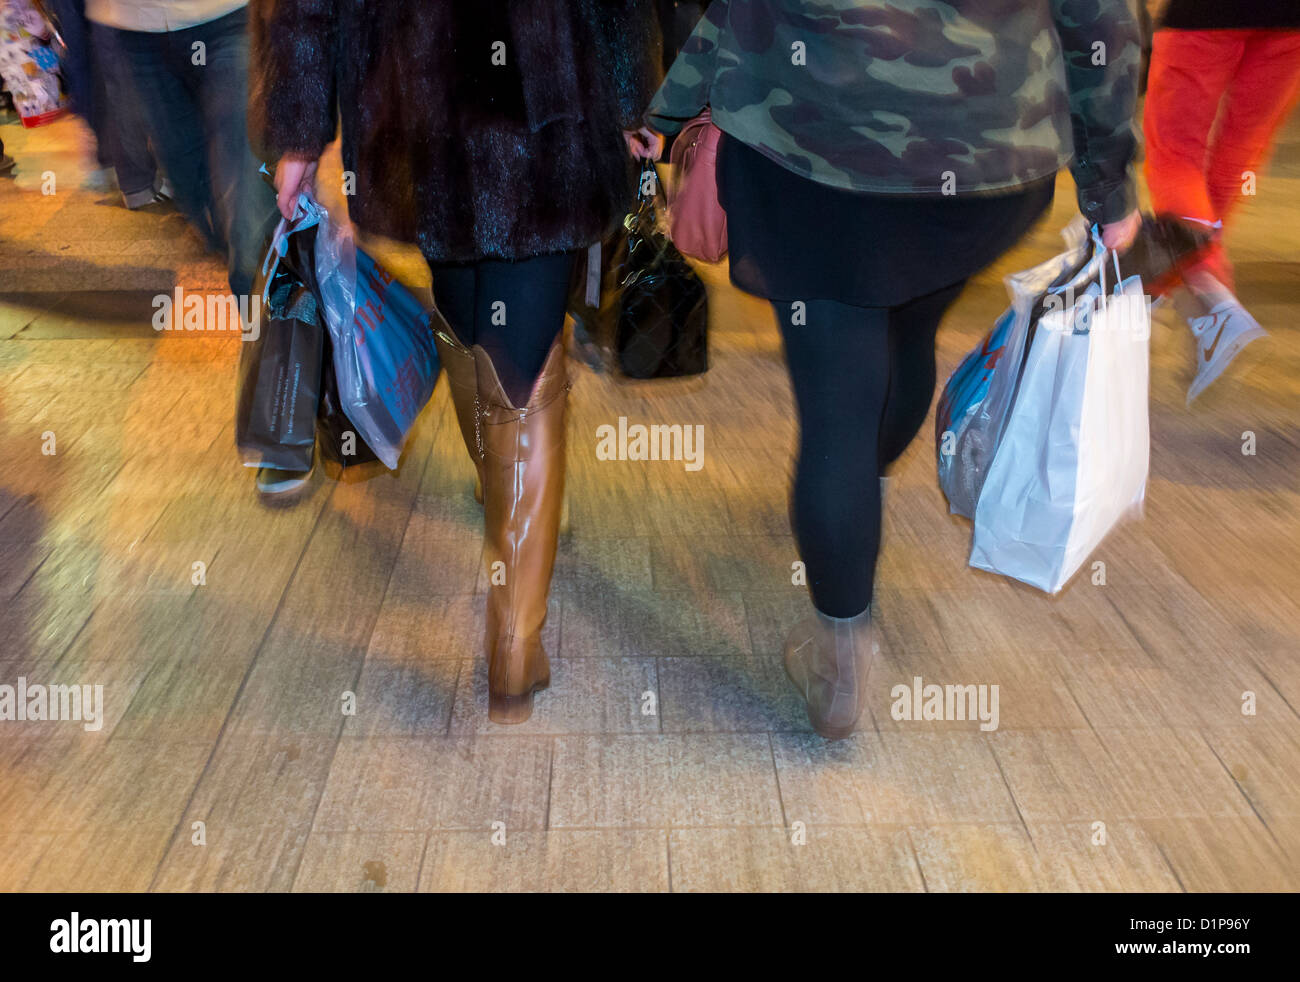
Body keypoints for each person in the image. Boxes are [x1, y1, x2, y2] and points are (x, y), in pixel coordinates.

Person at [647, 0, 1143, 739]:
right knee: (910, 333)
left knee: (835, 406)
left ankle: (841, 659)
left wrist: (672, 105)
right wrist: (1108, 183)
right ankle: (861, 493)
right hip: (981, 153)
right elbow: (1099, 19)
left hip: (807, 142)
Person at [251, 0, 662, 723]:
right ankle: (513, 637)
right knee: (520, 361)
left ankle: (501, 495)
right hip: (547, 108)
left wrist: (298, 132)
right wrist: (635, 97)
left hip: (415, 106)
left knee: (470, 316)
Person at [1143, 0, 1300, 404]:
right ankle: (1164, 288)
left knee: (1175, 154)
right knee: (1237, 156)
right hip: (1289, 21)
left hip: (1202, 15)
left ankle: (1212, 301)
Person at [86, 0, 276, 294]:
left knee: (247, 207)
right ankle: (265, 302)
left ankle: (264, 324)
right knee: (196, 198)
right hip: (136, 27)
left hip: (229, 15)